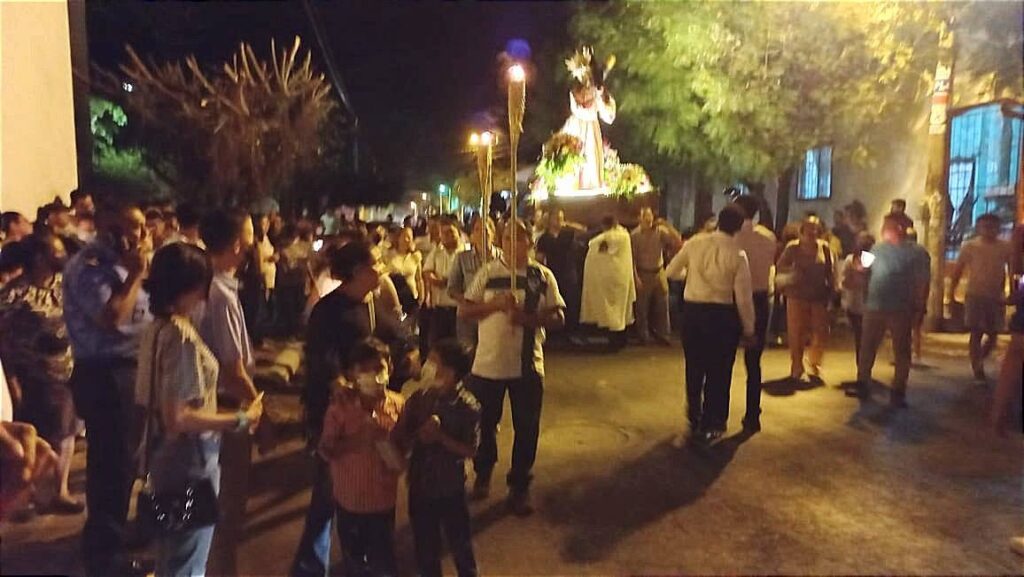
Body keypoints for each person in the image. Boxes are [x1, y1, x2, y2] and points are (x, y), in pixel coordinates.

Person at [136, 242, 264, 577]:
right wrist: (240, 418)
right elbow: (179, 417)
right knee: (187, 564)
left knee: (170, 558)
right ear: (192, 287)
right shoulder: (181, 338)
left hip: (162, 460)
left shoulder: (155, 329)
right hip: (189, 467)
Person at [293, 240, 411, 577]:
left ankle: (362, 561)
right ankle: (310, 566)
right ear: (359, 271)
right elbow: (319, 357)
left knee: (358, 485)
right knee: (329, 488)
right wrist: (338, 384)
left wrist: (411, 354)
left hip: (368, 410)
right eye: (376, 264)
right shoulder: (328, 310)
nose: (381, 269)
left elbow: (398, 335)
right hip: (337, 412)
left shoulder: (372, 306)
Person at [63, 203, 152, 577]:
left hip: (129, 370)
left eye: (143, 226)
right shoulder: (90, 267)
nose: (141, 235)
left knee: (126, 464)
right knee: (110, 468)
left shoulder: (121, 261)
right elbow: (111, 319)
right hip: (105, 375)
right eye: (132, 227)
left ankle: (113, 536)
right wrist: (135, 275)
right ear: (108, 226)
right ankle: (105, 558)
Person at [460, 220, 565, 515]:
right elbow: (466, 310)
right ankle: (483, 471)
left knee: (527, 428)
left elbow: (558, 317)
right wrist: (494, 306)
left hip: (527, 365)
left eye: (517, 238)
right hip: (488, 365)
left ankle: (519, 485)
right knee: (485, 424)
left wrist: (527, 319)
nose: (510, 243)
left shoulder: (541, 276)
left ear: (528, 242)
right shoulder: (488, 272)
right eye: (506, 237)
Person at [198, 209, 262, 576]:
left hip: (213, 405)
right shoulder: (220, 293)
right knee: (227, 507)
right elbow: (233, 368)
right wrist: (258, 411)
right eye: (251, 233)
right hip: (226, 406)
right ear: (238, 243)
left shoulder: (212, 286)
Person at [0, 233, 81, 514]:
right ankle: (27, 495)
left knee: (67, 431)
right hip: (34, 375)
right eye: (55, 253)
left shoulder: (64, 285)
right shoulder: (15, 293)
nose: (62, 257)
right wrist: (11, 379)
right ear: (39, 259)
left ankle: (60, 489)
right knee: (39, 436)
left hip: (68, 370)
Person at [666, 205, 755, 444]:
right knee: (720, 370)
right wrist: (749, 329)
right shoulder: (738, 254)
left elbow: (671, 271)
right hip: (721, 314)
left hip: (693, 311)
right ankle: (713, 420)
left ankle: (693, 415)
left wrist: (692, 277)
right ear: (738, 226)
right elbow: (744, 298)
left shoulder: (695, 243)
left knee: (694, 366)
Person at [393, 338, 480, 577]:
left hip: (451, 487)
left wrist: (440, 437)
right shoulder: (419, 398)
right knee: (425, 548)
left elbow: (471, 450)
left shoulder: (467, 406)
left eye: (433, 361)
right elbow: (402, 436)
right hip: (420, 484)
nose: (426, 366)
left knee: (460, 545)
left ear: (451, 372)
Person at [319, 338, 404, 577]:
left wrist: (387, 445)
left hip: (383, 502)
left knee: (384, 561)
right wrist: (360, 439)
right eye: (364, 370)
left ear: (390, 368)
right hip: (350, 503)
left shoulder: (398, 406)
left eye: (378, 369)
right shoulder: (340, 408)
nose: (372, 375)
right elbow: (326, 450)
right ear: (352, 373)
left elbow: (402, 454)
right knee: (355, 563)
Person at [849, 214, 931, 407]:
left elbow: (922, 281)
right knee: (867, 346)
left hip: (901, 308)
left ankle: (898, 390)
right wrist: (858, 265)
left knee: (901, 350)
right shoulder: (877, 248)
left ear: (900, 228)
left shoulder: (917, 253)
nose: (884, 228)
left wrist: (920, 306)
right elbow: (862, 268)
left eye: (888, 225)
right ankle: (863, 382)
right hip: (874, 305)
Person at [949, 213, 1013, 383]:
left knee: (994, 333)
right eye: (984, 226)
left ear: (998, 228)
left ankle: (980, 356)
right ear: (978, 228)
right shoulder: (970, 246)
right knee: (976, 332)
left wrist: (1011, 291)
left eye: (992, 227)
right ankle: (977, 368)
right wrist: (951, 292)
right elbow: (958, 269)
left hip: (995, 296)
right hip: (975, 294)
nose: (988, 230)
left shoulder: (1005, 247)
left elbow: (1011, 269)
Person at [732, 196, 777, 432]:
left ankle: (716, 414)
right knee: (754, 361)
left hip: (732, 300)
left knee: (723, 360)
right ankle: (752, 414)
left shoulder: (733, 238)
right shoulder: (769, 238)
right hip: (759, 299)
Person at [776, 218, 835, 383]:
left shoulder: (824, 247)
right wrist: (793, 273)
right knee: (796, 333)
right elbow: (780, 267)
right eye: (809, 229)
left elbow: (830, 271)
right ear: (801, 231)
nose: (812, 233)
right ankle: (796, 366)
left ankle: (815, 361)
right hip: (796, 296)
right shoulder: (793, 248)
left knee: (821, 331)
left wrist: (832, 290)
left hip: (818, 296)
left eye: (816, 229)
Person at [580, 215, 637, 349]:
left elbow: (593, 243)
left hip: (615, 280)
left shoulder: (615, 236)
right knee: (620, 311)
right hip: (619, 279)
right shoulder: (625, 235)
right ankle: (620, 340)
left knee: (615, 312)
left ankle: (616, 342)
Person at [630, 207, 682, 346]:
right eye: (645, 216)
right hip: (643, 272)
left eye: (649, 215)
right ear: (639, 218)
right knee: (642, 307)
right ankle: (643, 335)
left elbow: (677, 241)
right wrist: (635, 277)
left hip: (658, 271)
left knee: (662, 304)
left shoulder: (660, 232)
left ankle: (664, 334)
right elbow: (632, 259)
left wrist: (666, 225)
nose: (648, 219)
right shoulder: (635, 235)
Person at [448, 216, 500, 347]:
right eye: (477, 230)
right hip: (468, 317)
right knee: (467, 352)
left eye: (486, 230)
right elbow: (452, 288)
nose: (482, 234)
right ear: (472, 235)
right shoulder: (462, 258)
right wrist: (468, 302)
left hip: (493, 316)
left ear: (492, 234)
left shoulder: (502, 258)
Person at [535, 209, 583, 330]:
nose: (559, 220)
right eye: (556, 218)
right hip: (554, 273)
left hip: (569, 273)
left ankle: (571, 329)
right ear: (550, 220)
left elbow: (583, 230)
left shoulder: (568, 233)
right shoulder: (544, 238)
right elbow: (539, 258)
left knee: (571, 302)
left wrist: (567, 223)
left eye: (561, 218)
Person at [423, 220, 461, 346]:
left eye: (451, 232)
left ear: (458, 233)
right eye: (444, 233)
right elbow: (427, 271)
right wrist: (436, 281)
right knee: (436, 345)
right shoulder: (436, 252)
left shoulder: (464, 253)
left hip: (458, 308)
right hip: (439, 308)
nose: (447, 235)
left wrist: (449, 281)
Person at [839, 232, 876, 366]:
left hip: (856, 304)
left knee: (861, 338)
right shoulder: (872, 260)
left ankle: (862, 367)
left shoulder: (852, 259)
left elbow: (844, 281)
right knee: (866, 339)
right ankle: (864, 367)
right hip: (865, 305)